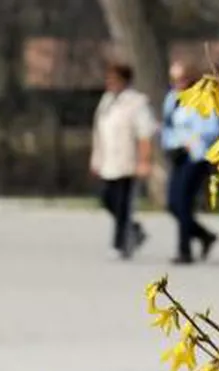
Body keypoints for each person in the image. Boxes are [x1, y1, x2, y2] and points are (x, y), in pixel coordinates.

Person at [90, 62, 157, 260]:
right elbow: (99, 131)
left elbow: (145, 134)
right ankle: (134, 230)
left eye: (114, 79)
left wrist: (144, 161)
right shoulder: (106, 101)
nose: (110, 83)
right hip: (108, 161)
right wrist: (96, 159)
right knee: (107, 199)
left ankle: (120, 244)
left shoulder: (137, 102)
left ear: (124, 80)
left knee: (123, 205)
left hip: (128, 161)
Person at [162, 60, 219, 264]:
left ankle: (184, 251)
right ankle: (205, 236)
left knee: (184, 203)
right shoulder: (172, 98)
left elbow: (213, 128)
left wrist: (193, 140)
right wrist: (170, 144)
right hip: (178, 155)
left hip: (197, 156)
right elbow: (169, 126)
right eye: (173, 79)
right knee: (172, 204)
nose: (177, 83)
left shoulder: (203, 98)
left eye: (181, 79)